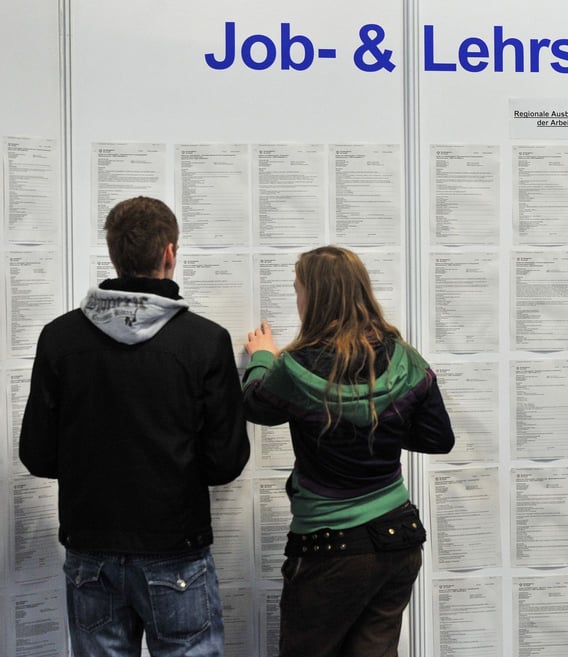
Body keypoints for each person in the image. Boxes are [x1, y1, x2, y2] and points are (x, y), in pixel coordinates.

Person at [19, 196, 251, 657]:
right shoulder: (205, 341)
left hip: (90, 550)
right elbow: (225, 463)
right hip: (176, 548)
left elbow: (37, 454)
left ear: (113, 254)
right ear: (169, 253)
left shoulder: (59, 337)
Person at [242, 245, 455, 657]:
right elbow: (437, 438)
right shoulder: (405, 357)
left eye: (298, 289)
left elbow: (254, 404)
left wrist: (263, 356)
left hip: (329, 548)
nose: (297, 299)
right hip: (398, 539)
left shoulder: (293, 368)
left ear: (316, 297)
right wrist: (380, 423)